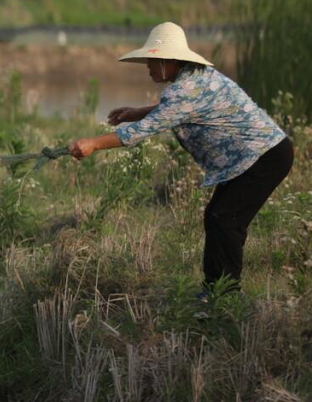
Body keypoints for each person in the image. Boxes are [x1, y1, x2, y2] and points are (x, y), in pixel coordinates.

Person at [67, 22, 293, 291]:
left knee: (225, 219)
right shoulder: (197, 77)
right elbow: (177, 109)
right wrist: (136, 111)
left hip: (264, 157)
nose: (148, 68)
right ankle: (215, 290)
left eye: (153, 62)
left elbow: (140, 132)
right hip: (262, 153)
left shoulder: (183, 91)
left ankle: (224, 296)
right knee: (217, 217)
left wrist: (93, 143)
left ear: (170, 61)